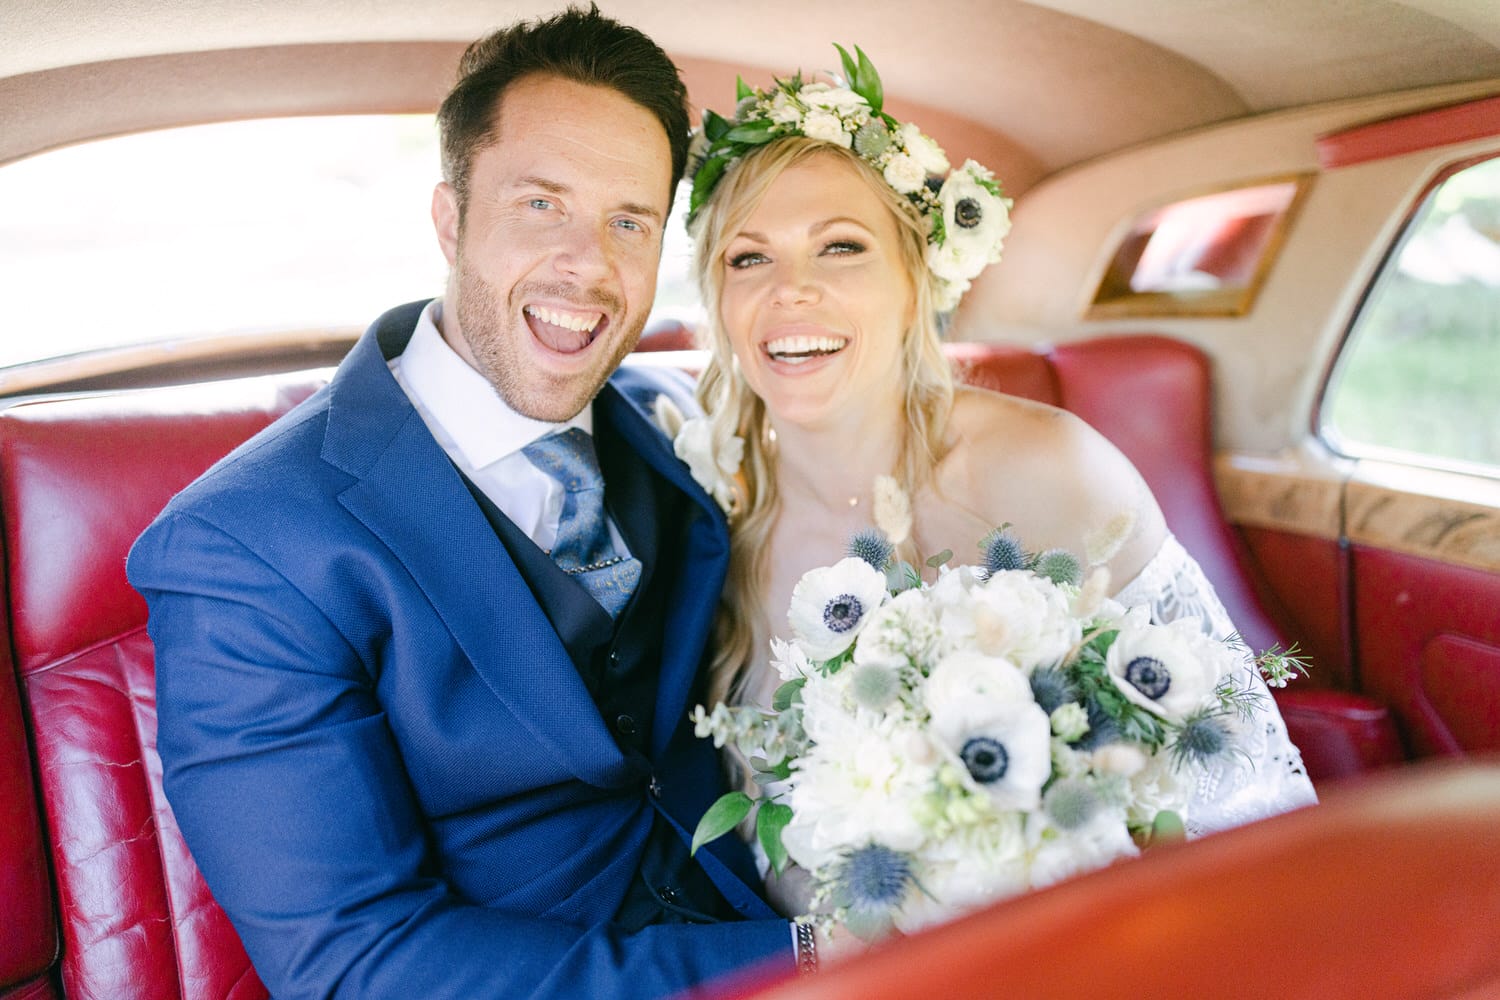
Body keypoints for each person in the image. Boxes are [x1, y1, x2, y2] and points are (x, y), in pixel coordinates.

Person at [126, 8, 803, 998]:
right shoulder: (245, 546)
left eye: (631, 221)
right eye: (541, 205)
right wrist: (815, 961)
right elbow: (356, 960)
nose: (591, 266)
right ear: (450, 220)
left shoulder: (667, 423)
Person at [677, 48, 1319, 914]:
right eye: (748, 259)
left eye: (840, 247)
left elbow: (1241, 796)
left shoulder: (1056, 473)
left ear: (915, 284)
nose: (792, 290)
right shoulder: (715, 517)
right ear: (715, 301)